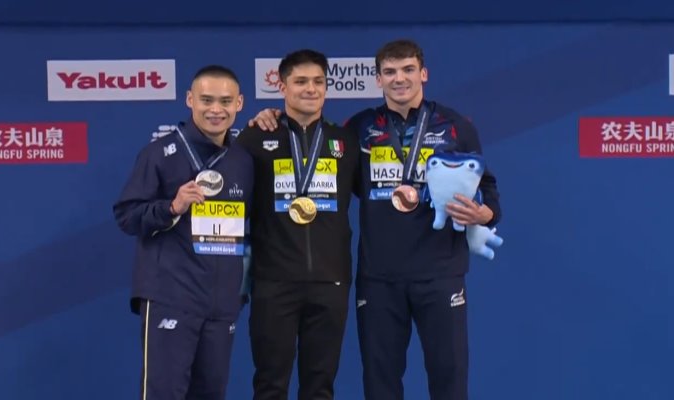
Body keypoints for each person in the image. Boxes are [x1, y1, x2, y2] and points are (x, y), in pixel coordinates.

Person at [247, 39, 502, 400]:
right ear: (378, 79)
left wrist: (485, 213)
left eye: (408, 70)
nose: (400, 79)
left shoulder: (455, 126)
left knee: (450, 379)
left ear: (423, 73)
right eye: (390, 72)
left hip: (440, 274)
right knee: (380, 384)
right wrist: (270, 117)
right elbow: (314, 152)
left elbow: (487, 188)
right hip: (379, 279)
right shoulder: (358, 129)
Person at [113, 65, 253, 400]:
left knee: (211, 394)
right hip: (171, 297)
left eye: (224, 101)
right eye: (206, 100)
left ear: (240, 103)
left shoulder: (244, 161)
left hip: (221, 303)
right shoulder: (159, 153)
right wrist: (171, 208)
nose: (215, 109)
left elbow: (251, 230)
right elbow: (126, 215)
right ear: (190, 99)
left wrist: (240, 291)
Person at [234, 49, 360, 400]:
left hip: (330, 282)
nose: (311, 89)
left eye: (318, 81)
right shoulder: (256, 138)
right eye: (301, 81)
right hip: (274, 283)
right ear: (282, 87)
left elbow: (379, 198)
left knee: (320, 387)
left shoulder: (346, 142)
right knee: (270, 384)